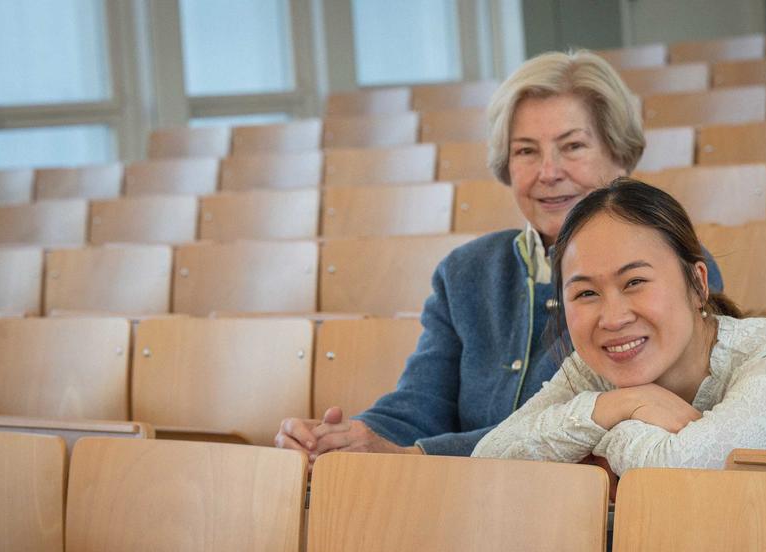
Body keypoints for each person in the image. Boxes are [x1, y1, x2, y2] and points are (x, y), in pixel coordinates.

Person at [275, 50, 723, 460]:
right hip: (458, 505)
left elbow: (588, 426)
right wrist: (348, 439)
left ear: (619, 156)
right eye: (526, 151)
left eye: (573, 146)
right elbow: (420, 404)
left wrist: (417, 456)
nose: (548, 173)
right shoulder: (464, 271)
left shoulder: (671, 266)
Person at [472, 178, 766, 470]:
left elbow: (676, 474)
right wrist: (614, 407)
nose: (612, 317)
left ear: (697, 283)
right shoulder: (590, 375)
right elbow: (489, 461)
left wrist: (605, 431)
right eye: (585, 293)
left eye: (635, 282)